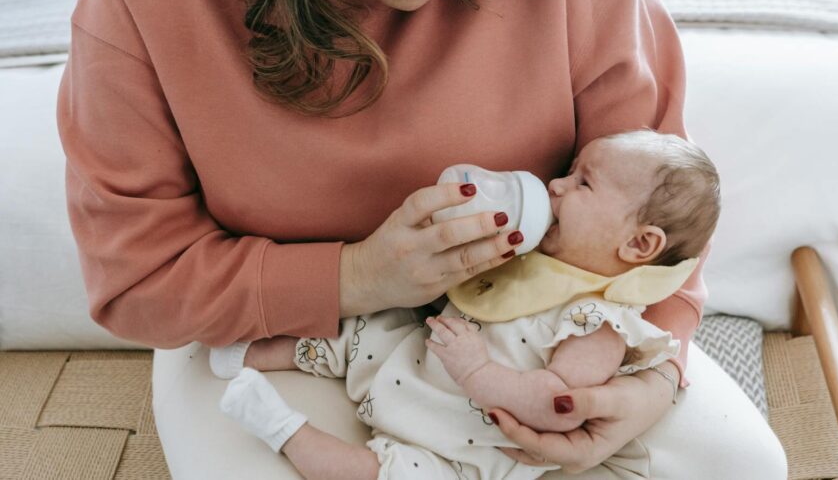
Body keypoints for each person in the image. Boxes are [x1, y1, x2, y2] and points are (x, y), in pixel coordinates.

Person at [56, 0, 787, 477]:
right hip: (277, 331)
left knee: (741, 467)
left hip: (537, 319)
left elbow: (662, 203)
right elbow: (138, 281)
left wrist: (656, 376)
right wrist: (360, 276)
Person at [213, 130, 720, 479]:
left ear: (639, 246)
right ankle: (250, 355)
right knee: (367, 328)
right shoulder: (538, 257)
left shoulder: (600, 323)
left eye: (582, 182)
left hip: (457, 446)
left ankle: (280, 429)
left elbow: (556, 406)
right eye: (568, 171)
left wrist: (476, 369)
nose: (555, 185)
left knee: (381, 476)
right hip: (414, 361)